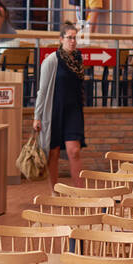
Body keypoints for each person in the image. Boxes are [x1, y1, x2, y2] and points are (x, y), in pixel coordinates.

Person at [33, 22, 85, 187]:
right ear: (61, 39)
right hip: (54, 111)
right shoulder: (51, 60)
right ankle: (54, 190)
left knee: (74, 151)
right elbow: (42, 91)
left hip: (73, 110)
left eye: (75, 38)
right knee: (53, 153)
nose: (73, 41)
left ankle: (79, 192)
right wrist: (37, 117)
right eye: (69, 38)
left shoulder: (78, 58)